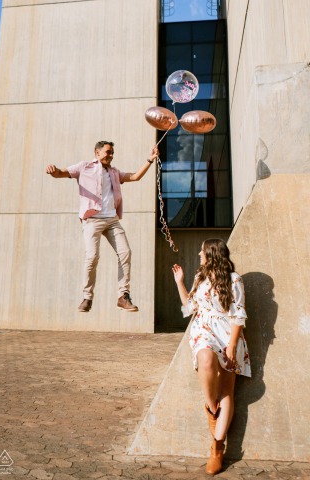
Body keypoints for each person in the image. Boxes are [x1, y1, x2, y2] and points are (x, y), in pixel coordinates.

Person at [46, 141, 159, 313]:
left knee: (125, 252)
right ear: (97, 152)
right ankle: (87, 297)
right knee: (92, 257)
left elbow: (135, 176)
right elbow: (62, 173)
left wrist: (150, 160)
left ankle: (123, 296)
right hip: (92, 220)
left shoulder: (114, 173)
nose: (111, 155)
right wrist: (54, 171)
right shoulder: (84, 167)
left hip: (112, 220)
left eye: (112, 152)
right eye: (108, 152)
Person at [172, 239, 251, 475]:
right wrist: (180, 283)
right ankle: (211, 406)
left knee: (227, 390)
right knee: (205, 360)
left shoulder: (234, 279)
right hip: (203, 330)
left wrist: (231, 346)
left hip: (228, 335)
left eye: (202, 250)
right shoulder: (200, 278)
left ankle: (217, 448)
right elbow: (190, 308)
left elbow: (238, 316)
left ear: (212, 254)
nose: (198, 253)